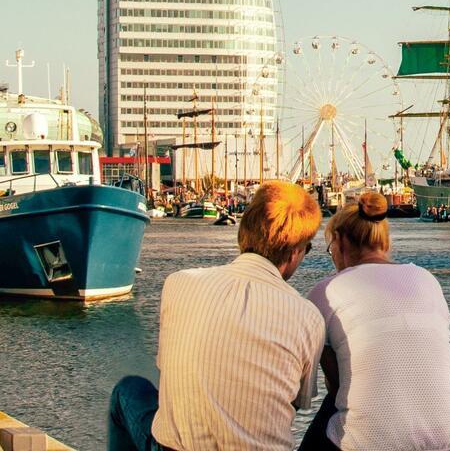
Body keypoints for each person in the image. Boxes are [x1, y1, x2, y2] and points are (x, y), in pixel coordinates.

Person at [109, 180, 326, 451]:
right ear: (296, 252)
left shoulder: (178, 283)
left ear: (243, 233)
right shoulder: (309, 317)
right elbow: (297, 401)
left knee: (128, 391)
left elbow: (168, 372)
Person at [301, 190, 450, 451]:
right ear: (384, 242)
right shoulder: (426, 280)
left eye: (330, 247)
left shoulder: (325, 292)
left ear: (340, 242)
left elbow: (335, 387)